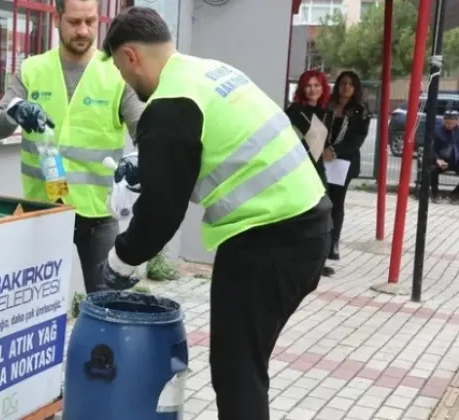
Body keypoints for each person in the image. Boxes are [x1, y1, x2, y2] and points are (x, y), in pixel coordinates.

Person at [98, 7, 332, 419]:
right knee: (245, 361)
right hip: (305, 224)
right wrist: (147, 165)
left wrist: (121, 260)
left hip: (270, 240)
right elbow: (207, 148)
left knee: (236, 367)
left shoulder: (169, 105)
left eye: (120, 69)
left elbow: (159, 217)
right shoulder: (206, 72)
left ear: (130, 56)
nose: (126, 82)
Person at [0, 0, 144, 294]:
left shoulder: (117, 73)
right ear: (57, 19)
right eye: (74, 22)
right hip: (41, 209)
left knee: (106, 303)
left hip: (97, 214)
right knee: (32, 304)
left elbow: (146, 133)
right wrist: (15, 111)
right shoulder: (32, 70)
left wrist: (140, 160)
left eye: (91, 21)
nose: (83, 31)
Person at [286, 69, 336, 278]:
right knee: (299, 214)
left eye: (317, 85)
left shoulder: (328, 113)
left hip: (318, 169)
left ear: (323, 88)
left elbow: (326, 143)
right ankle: (294, 259)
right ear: (302, 88)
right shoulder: (294, 111)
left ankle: (318, 261)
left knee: (322, 214)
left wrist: (331, 149)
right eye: (309, 85)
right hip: (298, 168)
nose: (313, 89)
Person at [325, 71, 371, 261]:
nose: (346, 87)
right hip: (322, 158)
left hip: (344, 161)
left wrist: (335, 151)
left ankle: (334, 243)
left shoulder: (361, 110)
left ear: (356, 88)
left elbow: (356, 139)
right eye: (343, 83)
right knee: (321, 201)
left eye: (351, 84)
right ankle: (320, 240)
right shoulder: (327, 106)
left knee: (336, 202)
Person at [430, 110, 459, 201]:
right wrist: (437, 159)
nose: (449, 126)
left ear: (457, 121)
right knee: (432, 169)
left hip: (455, 161)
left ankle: (455, 194)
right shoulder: (437, 131)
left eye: (452, 124)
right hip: (440, 160)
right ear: (443, 121)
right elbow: (431, 148)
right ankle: (435, 193)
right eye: (447, 124)